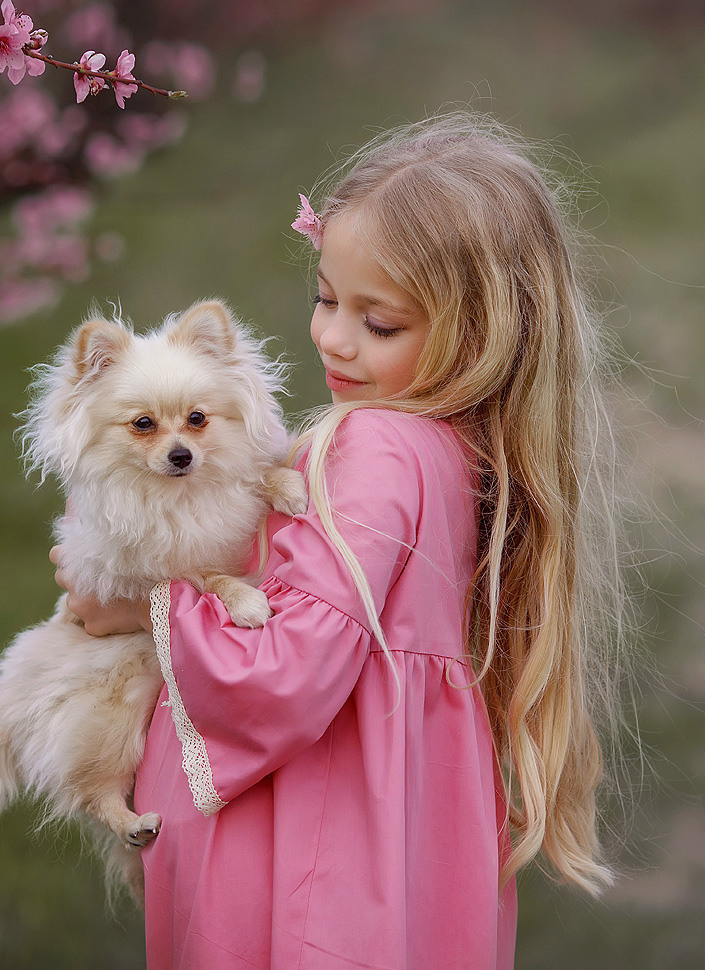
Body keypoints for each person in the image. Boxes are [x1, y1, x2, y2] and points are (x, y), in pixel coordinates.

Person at [53, 111, 634, 969]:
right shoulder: (469, 450)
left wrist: (141, 606)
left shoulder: (375, 447)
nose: (331, 337)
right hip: (409, 834)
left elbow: (283, 667)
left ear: (480, 332)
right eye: (326, 298)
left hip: (308, 849)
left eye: (380, 323)